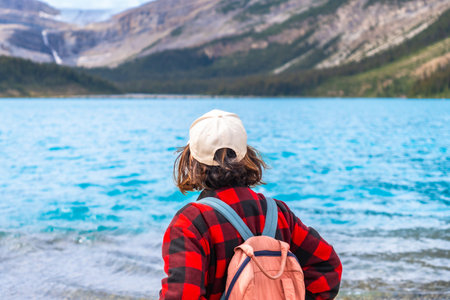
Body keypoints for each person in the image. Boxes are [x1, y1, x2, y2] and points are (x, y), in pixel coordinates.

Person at [160, 109, 342, 300]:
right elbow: (328, 266)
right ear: (246, 156)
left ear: (191, 160)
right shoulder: (279, 213)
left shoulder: (190, 223)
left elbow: (183, 296)